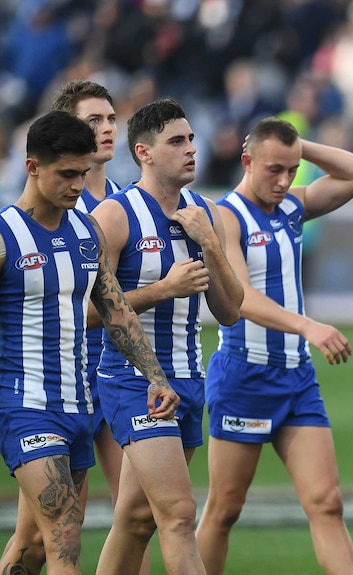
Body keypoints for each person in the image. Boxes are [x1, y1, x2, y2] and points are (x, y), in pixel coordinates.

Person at [0, 110, 178, 575]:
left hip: (79, 406)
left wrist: (155, 376)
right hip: (26, 407)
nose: (78, 185)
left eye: (83, 173)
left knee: (35, 543)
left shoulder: (86, 232)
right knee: (65, 531)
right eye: (66, 174)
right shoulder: (4, 236)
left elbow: (117, 310)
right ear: (32, 165)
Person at [194, 117, 353, 574]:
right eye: (274, 168)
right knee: (224, 509)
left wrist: (298, 147)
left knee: (327, 503)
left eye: (291, 170)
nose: (284, 180)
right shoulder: (224, 215)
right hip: (245, 374)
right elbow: (239, 297)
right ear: (246, 160)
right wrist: (309, 327)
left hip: (296, 378)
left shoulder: (292, 206)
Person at [91, 98, 244, 575]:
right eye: (177, 141)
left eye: (192, 139)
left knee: (136, 520)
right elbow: (91, 313)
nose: (191, 149)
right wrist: (165, 289)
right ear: (144, 153)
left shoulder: (205, 213)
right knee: (178, 514)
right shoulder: (116, 216)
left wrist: (212, 245)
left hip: (189, 378)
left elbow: (231, 310)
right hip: (133, 379)